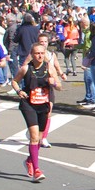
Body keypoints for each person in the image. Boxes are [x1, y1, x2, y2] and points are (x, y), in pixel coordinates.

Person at [12, 40, 60, 182]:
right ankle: (37, 170)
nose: (40, 56)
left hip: (43, 105)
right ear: (32, 55)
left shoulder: (49, 68)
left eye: (42, 53)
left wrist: (54, 83)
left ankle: (29, 160)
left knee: (38, 138)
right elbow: (14, 81)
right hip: (29, 104)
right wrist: (19, 91)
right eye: (37, 53)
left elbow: (59, 86)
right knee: (33, 136)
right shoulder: (26, 68)